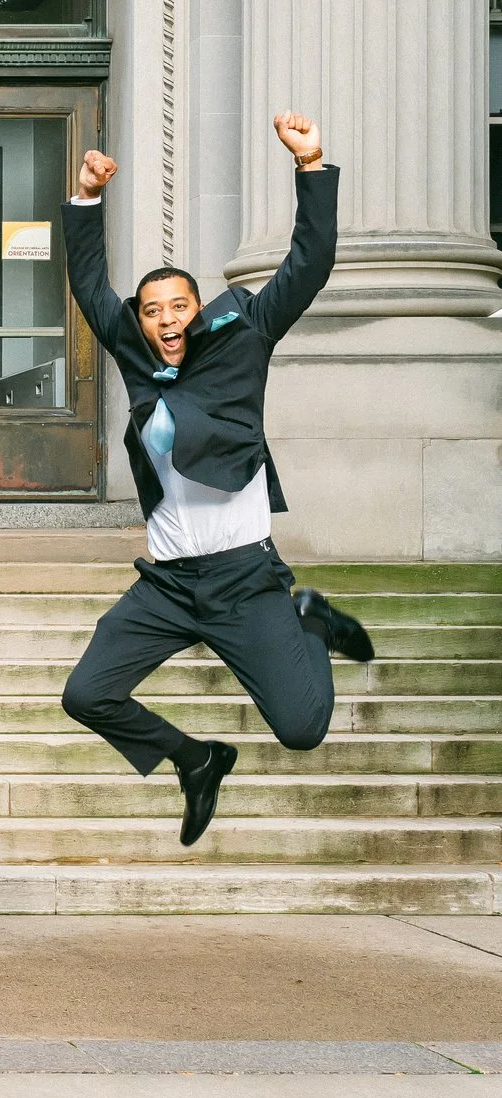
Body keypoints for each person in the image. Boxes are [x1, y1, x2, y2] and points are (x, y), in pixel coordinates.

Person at [55, 114, 373, 846]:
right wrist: (85, 195)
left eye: (178, 306)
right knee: (86, 692)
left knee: (302, 727)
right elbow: (87, 283)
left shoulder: (246, 337)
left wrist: (311, 165)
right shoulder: (136, 354)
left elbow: (310, 260)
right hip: (166, 583)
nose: (164, 318)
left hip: (242, 579)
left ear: (197, 313)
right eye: (151, 310)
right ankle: (195, 759)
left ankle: (310, 621)